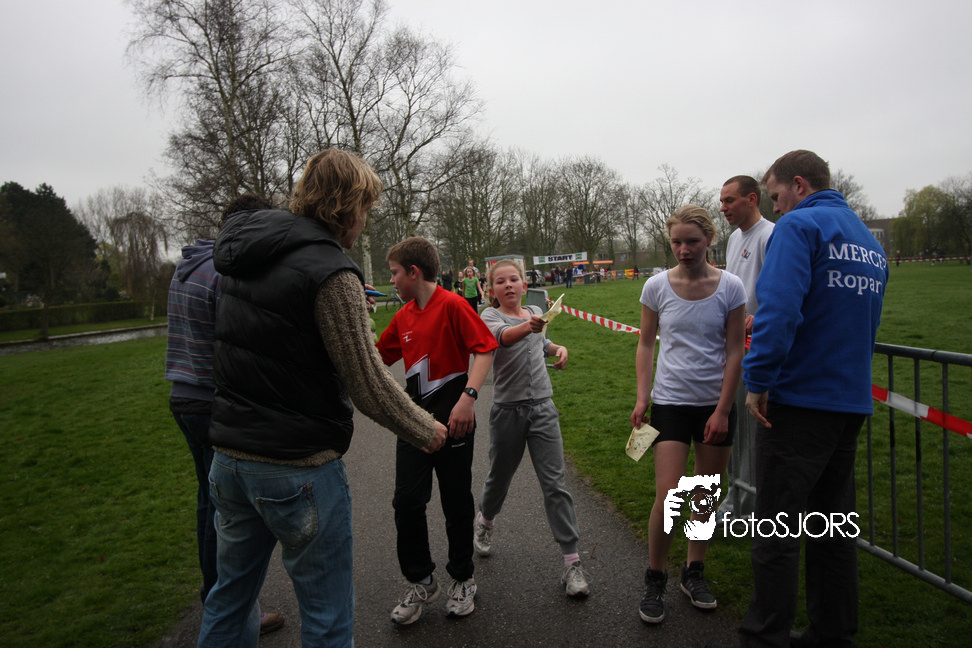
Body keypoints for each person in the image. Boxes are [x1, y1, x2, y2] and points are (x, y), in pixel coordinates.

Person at [198, 149, 447, 648]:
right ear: (346, 205)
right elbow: (368, 384)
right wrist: (426, 428)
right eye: (365, 208)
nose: (365, 220)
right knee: (327, 617)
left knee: (229, 600)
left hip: (228, 461)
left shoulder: (243, 258)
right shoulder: (332, 271)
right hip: (296, 467)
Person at [707, 151, 888, 648]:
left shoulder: (799, 226)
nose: (776, 206)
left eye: (776, 195)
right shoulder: (868, 240)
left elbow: (779, 309)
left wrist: (760, 381)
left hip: (801, 399)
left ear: (800, 185)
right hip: (850, 400)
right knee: (833, 527)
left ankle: (764, 637)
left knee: (776, 527)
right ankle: (832, 634)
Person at [164, 193, 286, 636]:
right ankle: (232, 610)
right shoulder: (223, 273)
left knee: (209, 500)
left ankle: (214, 596)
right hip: (213, 401)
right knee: (230, 511)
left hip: (183, 398)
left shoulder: (189, 265)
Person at [629, 205, 746, 625]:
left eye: (692, 242)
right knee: (670, 494)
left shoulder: (730, 287)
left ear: (709, 240)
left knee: (705, 494)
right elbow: (646, 344)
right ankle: (655, 576)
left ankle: (694, 570)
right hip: (671, 402)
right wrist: (642, 398)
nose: (683, 249)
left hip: (714, 404)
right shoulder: (656, 286)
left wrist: (723, 410)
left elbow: (735, 350)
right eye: (676, 242)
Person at [377, 237, 497, 625]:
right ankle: (422, 581)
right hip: (414, 424)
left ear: (413, 272)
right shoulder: (402, 317)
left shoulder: (454, 305)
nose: (391, 280)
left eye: (395, 273)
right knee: (406, 502)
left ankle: (462, 578)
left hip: (456, 421)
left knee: (456, 502)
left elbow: (485, 348)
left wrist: (468, 398)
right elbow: (375, 359)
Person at [473, 259, 590, 598]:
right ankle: (485, 521)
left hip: (543, 409)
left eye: (514, 279)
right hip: (507, 412)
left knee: (555, 484)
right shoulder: (489, 317)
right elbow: (505, 338)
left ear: (525, 285)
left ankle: (572, 562)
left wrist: (558, 348)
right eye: (500, 281)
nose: (508, 285)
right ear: (491, 290)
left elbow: (540, 344)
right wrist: (531, 327)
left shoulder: (536, 312)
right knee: (499, 477)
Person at [717, 176, 775, 520]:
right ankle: (735, 498)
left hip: (758, 348)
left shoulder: (771, 236)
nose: (723, 208)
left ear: (752, 199)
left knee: (751, 432)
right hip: (734, 346)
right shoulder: (734, 239)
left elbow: (781, 294)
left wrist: (758, 318)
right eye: (722, 201)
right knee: (734, 426)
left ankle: (746, 507)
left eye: (730, 200)